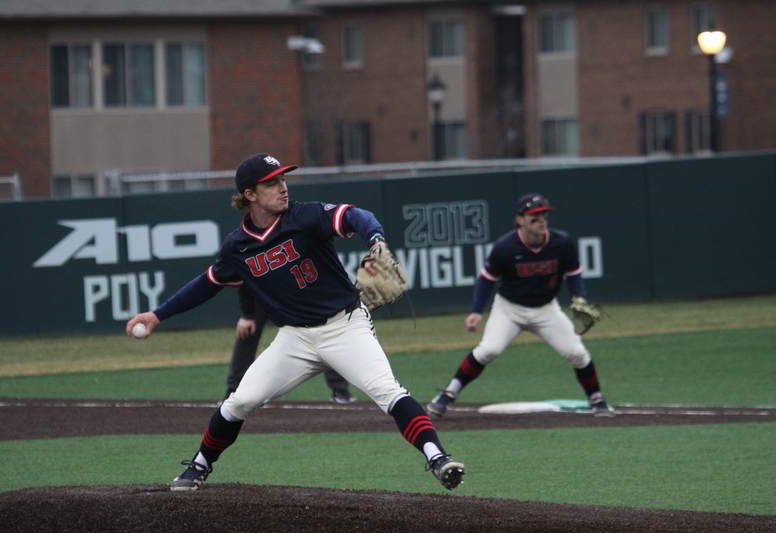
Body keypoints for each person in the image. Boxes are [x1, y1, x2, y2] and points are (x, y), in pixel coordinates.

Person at [127, 152, 464, 492]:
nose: (283, 187)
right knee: (239, 402)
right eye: (271, 183)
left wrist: (375, 238)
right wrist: (157, 315)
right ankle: (198, 466)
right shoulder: (238, 246)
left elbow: (356, 216)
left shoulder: (305, 215)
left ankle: (438, 458)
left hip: (345, 326)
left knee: (388, 391)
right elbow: (207, 283)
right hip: (294, 339)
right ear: (250, 194)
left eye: (283, 179)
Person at [427, 193, 615, 418]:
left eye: (544, 215)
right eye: (534, 217)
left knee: (577, 352)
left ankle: (597, 398)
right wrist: (477, 311)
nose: (541, 221)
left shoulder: (561, 242)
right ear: (520, 220)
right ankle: (448, 393)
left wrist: (579, 297)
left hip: (546, 309)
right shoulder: (505, 247)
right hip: (509, 310)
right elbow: (486, 279)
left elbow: (574, 273)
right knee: (488, 350)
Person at [225, 284, 356, 403]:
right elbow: (245, 278)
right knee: (247, 332)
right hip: (264, 293)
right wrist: (247, 314)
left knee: (322, 331)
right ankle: (233, 390)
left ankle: (340, 389)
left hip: (295, 295)